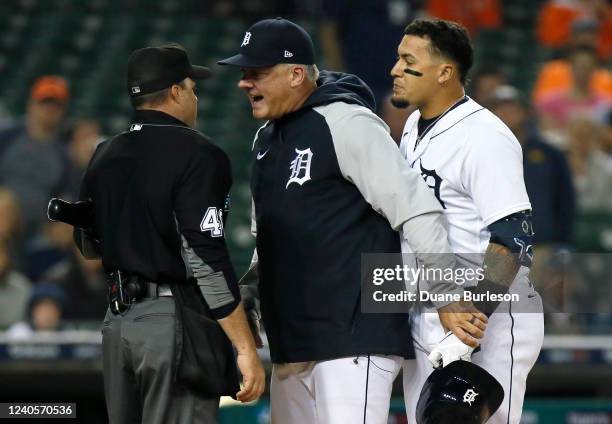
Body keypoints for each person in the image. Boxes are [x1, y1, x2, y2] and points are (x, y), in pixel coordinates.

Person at [218, 17, 486, 424]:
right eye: (243, 73)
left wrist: (446, 292)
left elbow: (415, 209)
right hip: (294, 343)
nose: (244, 82)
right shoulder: (265, 141)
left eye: (256, 73)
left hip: (353, 339)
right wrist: (251, 300)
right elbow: (269, 242)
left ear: (295, 74)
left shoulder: (345, 122)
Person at [75, 43, 264, 423]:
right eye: (192, 88)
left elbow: (88, 246)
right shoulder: (199, 154)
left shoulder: (104, 153)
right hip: (171, 324)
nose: (195, 96)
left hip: (117, 325)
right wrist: (244, 347)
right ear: (176, 91)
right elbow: (204, 259)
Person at [389, 19, 544, 423]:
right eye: (397, 58)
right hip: (432, 307)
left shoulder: (484, 136)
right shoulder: (412, 128)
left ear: (445, 72)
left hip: (486, 314)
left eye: (408, 61)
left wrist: (470, 324)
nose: (395, 69)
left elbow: (514, 239)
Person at [0, 76, 71, 242]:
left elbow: (64, 194)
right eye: (45, 103)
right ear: (31, 104)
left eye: (56, 105)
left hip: (38, 226)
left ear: (63, 112)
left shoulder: (63, 154)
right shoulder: (8, 136)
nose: (49, 109)